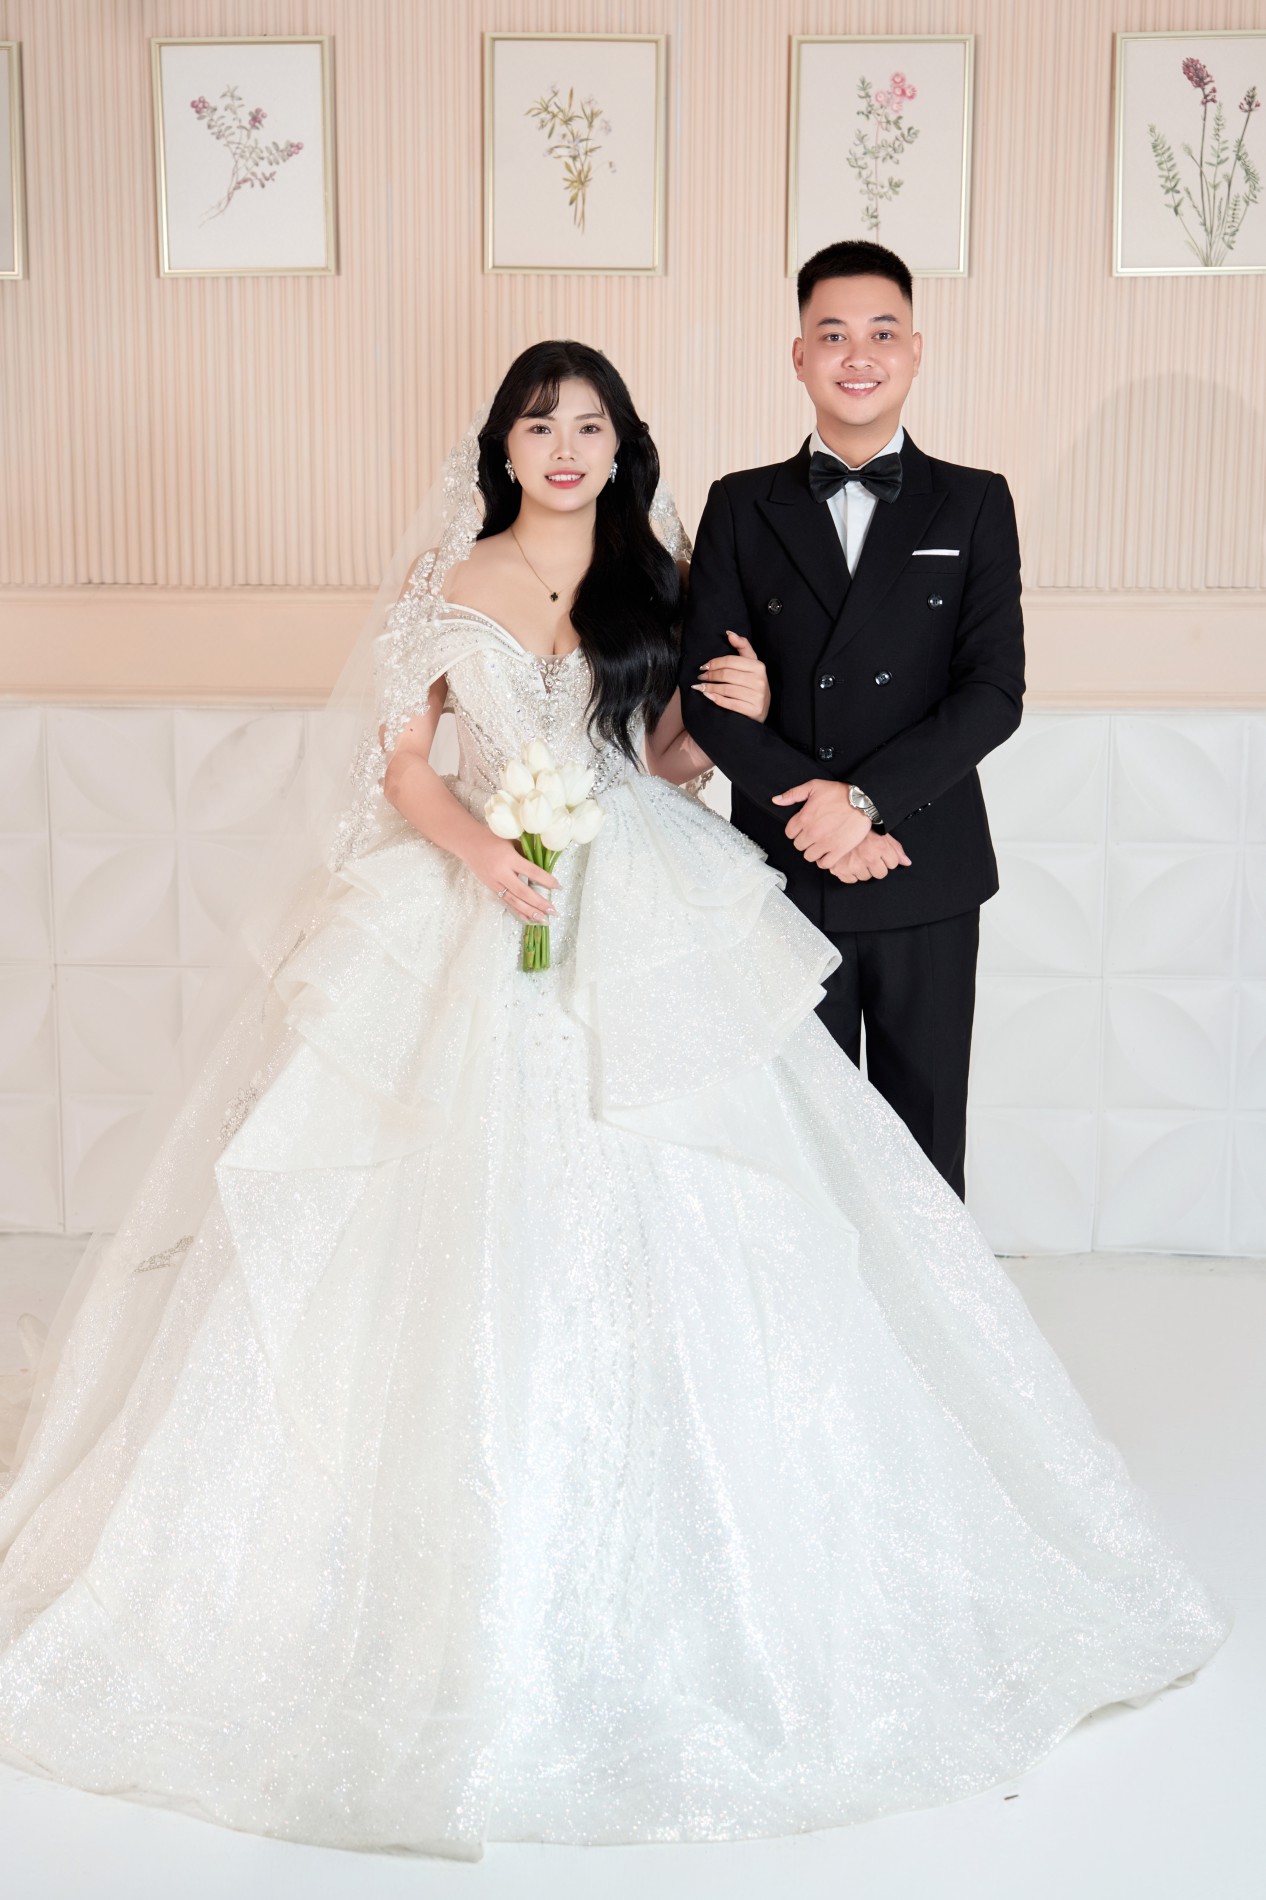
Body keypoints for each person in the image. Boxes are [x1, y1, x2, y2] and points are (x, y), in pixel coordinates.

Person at [0, 342, 1229, 1862]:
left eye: (589, 425)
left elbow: (661, 756)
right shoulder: (451, 580)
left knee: (699, 1171)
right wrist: (483, 850)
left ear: (619, 444)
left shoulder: (656, 572)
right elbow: (403, 765)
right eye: (540, 425)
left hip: (636, 880)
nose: (565, 447)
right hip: (483, 889)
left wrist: (724, 715)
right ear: (504, 446)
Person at [681, 239, 1025, 1198]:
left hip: (926, 864)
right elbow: (707, 700)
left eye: (881, 333)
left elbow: (993, 692)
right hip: (787, 871)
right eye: (833, 335)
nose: (858, 355)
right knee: (801, 1151)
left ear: (915, 350)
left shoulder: (974, 502)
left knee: (924, 1150)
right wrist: (818, 815)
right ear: (800, 357)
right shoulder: (740, 505)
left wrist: (863, 804)